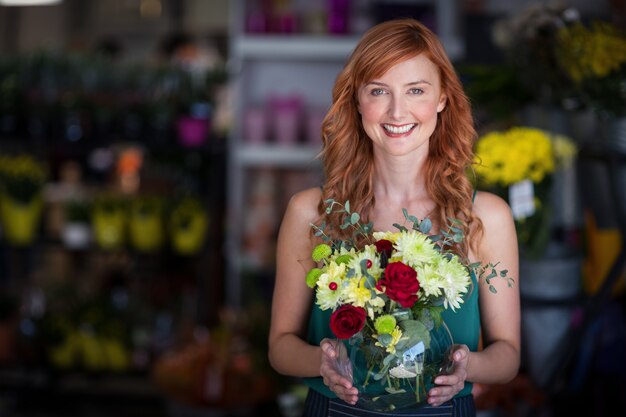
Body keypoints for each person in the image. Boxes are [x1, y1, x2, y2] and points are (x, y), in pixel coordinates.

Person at [268, 18, 520, 417]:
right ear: (356, 100)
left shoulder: (484, 216)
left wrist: (467, 366)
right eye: (378, 91)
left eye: (416, 90)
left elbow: (507, 356)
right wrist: (321, 363)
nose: (397, 110)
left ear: (442, 98)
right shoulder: (312, 213)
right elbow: (280, 347)